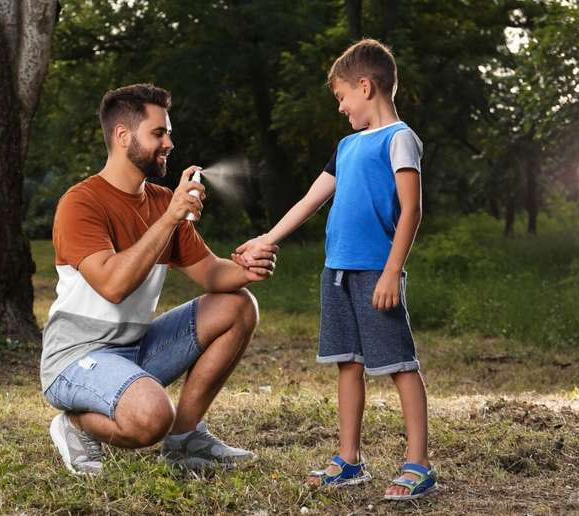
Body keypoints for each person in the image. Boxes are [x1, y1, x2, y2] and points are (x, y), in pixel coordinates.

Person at [234, 39, 436, 500]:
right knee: (347, 363)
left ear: (365, 86)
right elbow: (310, 200)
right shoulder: (345, 146)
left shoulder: (399, 138)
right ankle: (349, 460)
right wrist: (267, 239)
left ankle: (419, 462)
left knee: (400, 364)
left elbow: (412, 211)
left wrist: (390, 272)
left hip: (374, 274)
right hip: (337, 272)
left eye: (342, 97)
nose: (342, 107)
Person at [41, 83, 279, 475]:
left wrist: (248, 265)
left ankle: (184, 440)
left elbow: (211, 274)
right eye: (158, 133)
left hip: (134, 349)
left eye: (168, 132)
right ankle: (75, 424)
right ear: (122, 136)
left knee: (238, 304)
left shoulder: (159, 200)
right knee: (152, 417)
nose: (169, 142)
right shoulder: (81, 202)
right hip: (77, 358)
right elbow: (113, 286)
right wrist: (170, 217)